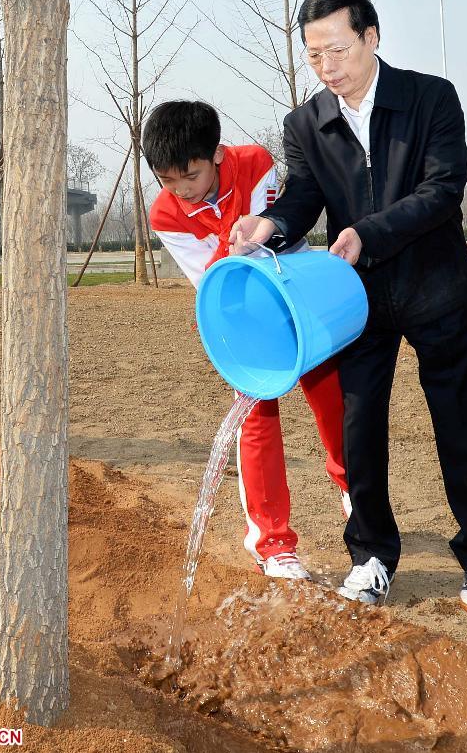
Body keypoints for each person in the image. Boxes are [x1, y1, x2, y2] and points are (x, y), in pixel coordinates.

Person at [230, 0, 467, 617]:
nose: (327, 66)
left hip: (436, 289)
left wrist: (367, 232)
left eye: (337, 48)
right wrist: (268, 227)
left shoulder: (429, 98)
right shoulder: (306, 123)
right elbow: (302, 196)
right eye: (313, 55)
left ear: (371, 37)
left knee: (460, 421)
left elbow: (443, 189)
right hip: (355, 301)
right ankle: (372, 555)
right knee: (359, 427)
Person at [144, 100, 351, 580]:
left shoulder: (256, 163)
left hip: (296, 300)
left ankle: (353, 492)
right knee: (256, 417)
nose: (181, 192)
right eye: (167, 181)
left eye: (189, 177)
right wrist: (231, 245)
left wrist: (251, 236)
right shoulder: (165, 214)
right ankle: (273, 541)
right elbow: (212, 276)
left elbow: (280, 234)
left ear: (216, 155)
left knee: (333, 399)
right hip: (242, 316)